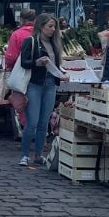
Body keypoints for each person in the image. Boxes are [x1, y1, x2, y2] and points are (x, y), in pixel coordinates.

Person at [19, 12, 67, 167]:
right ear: (41, 26)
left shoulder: (55, 44)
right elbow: (23, 63)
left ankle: (38, 155)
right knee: (31, 122)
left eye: (54, 27)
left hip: (50, 84)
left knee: (43, 122)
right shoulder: (30, 41)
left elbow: (56, 65)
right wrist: (37, 62)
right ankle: (25, 155)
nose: (53, 29)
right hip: (34, 84)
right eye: (50, 26)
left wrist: (62, 74)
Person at [4, 9, 36, 125]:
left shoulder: (17, 34)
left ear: (22, 19)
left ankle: (28, 128)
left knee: (22, 101)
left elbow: (11, 57)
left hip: (21, 74)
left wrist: (9, 66)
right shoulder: (41, 33)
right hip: (40, 74)